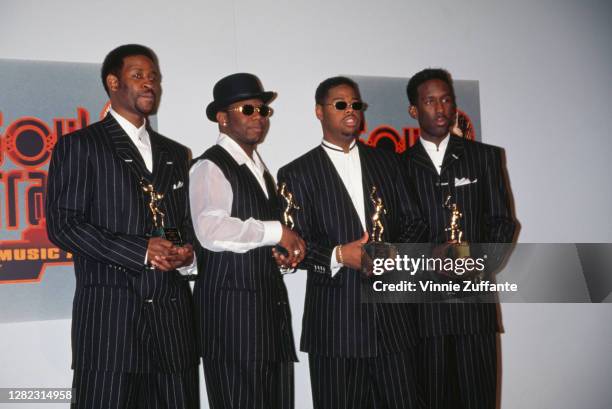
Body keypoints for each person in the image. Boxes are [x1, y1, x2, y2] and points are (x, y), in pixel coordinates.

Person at [45, 44, 199, 408]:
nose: (150, 84)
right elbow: (64, 225)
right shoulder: (80, 145)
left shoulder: (175, 153)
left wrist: (181, 251)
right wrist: (141, 250)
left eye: (154, 77)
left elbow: (175, 222)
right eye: (139, 76)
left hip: (172, 324)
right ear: (113, 82)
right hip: (109, 327)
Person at [276, 76, 427, 409]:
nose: (351, 111)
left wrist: (393, 255)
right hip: (335, 328)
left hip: (394, 325)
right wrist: (339, 255)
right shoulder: (297, 173)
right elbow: (292, 246)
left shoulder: (389, 162)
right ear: (319, 112)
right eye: (340, 104)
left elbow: (415, 222)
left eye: (356, 104)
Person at [403, 68, 516, 409]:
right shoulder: (397, 166)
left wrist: (472, 262)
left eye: (446, 100)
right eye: (430, 101)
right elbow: (396, 233)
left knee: (478, 399)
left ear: (453, 106)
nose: (439, 108)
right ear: (414, 110)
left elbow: (502, 224)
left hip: (473, 311)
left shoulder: (484, 158)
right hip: (423, 313)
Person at [190, 73, 304, 409]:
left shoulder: (260, 169)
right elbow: (210, 231)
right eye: (247, 109)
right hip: (233, 327)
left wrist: (277, 255)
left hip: (267, 321)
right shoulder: (210, 165)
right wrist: (276, 232)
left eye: (262, 110)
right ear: (223, 119)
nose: (258, 116)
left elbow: (245, 242)